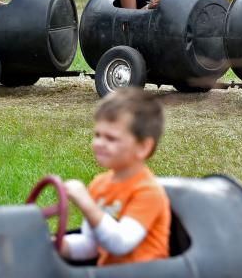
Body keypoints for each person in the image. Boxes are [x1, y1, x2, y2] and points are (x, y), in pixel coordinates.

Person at [59, 88, 170, 266]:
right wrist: (58, 245)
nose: (99, 144)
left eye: (111, 138)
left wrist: (87, 205)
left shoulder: (148, 192)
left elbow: (120, 243)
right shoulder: (99, 184)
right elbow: (91, 246)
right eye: (97, 135)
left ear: (143, 148)